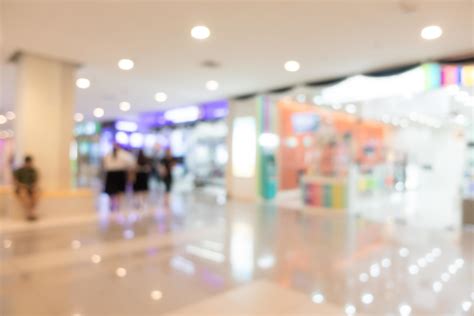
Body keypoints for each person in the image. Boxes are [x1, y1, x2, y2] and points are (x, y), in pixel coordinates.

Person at [103, 143, 134, 211]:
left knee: (117, 190)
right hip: (114, 173)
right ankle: (113, 204)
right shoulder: (110, 154)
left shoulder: (121, 154)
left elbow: (131, 163)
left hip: (117, 173)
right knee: (112, 191)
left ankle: (116, 204)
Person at [13, 155, 39, 221]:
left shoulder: (33, 170)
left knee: (35, 194)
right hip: (21, 188)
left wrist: (33, 186)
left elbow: (35, 181)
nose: (29, 164)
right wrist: (22, 185)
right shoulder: (19, 170)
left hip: (30, 188)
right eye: (28, 163)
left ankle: (31, 212)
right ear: (25, 162)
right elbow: (15, 181)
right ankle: (29, 213)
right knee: (24, 193)